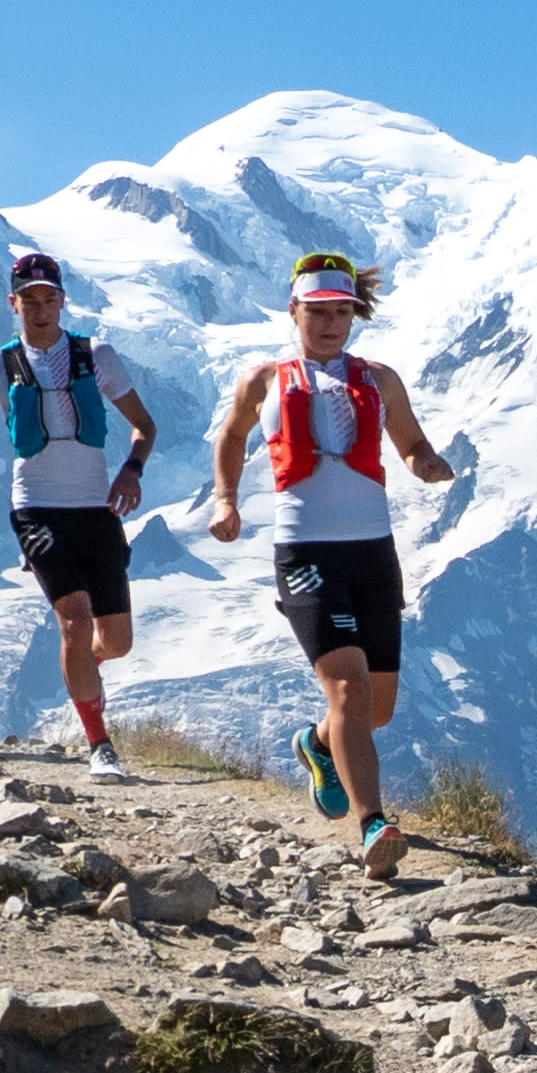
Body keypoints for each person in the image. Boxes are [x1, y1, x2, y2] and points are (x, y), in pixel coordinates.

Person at [207, 246, 451, 873]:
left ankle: (316, 745)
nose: (329, 323)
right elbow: (232, 435)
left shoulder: (379, 379)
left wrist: (426, 464)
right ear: (294, 311)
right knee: (348, 687)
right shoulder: (264, 380)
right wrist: (226, 499)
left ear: (354, 314)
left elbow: (411, 442)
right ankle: (374, 825)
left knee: (377, 709)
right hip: (306, 552)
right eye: (317, 311)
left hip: (373, 553)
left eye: (341, 311)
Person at [0, 247, 162, 777]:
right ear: (13, 304)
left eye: (48, 299)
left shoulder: (96, 356)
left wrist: (131, 470)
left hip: (96, 509)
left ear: (62, 301)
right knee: (75, 622)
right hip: (37, 510)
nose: (40, 310)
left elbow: (144, 426)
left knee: (116, 642)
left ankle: (81, 666)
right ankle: (99, 745)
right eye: (29, 301)